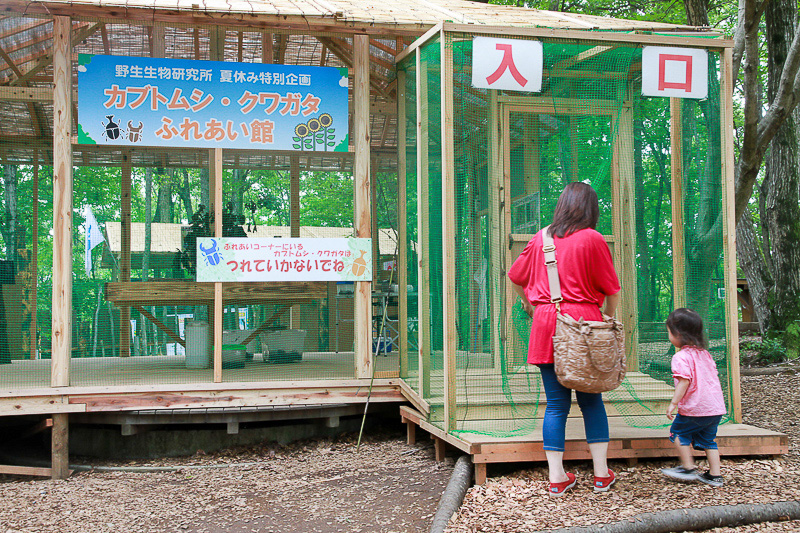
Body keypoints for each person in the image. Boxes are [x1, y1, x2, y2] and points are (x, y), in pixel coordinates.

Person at [508, 182, 621, 496]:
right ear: (591, 209)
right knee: (591, 400)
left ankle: (557, 477)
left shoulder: (541, 237)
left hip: (547, 323)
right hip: (585, 323)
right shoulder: (593, 239)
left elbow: (515, 277)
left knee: (556, 405)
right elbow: (612, 290)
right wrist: (608, 321)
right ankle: (601, 475)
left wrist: (531, 305)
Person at [661, 308, 727, 488]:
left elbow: (684, 381)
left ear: (678, 334)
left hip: (695, 408)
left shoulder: (681, 357)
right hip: (715, 409)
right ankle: (715, 475)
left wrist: (673, 403)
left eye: (668, 332)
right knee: (708, 441)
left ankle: (688, 468)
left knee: (678, 433)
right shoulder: (705, 354)